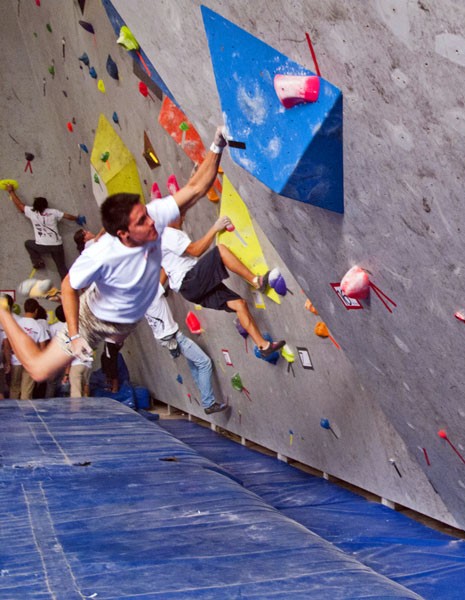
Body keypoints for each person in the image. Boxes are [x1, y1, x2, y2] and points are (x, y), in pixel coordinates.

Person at [0, 127, 230, 382]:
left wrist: (217, 145)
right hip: (93, 321)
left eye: (147, 214)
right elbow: (68, 286)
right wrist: (75, 337)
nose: (152, 223)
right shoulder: (100, 254)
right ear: (123, 234)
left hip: (123, 319)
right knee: (39, 371)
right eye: (142, 221)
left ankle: (44, 292)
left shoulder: (152, 216)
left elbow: (197, 187)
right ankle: (3, 312)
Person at [160, 213, 285, 355]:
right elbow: (195, 251)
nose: (183, 218)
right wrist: (215, 228)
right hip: (189, 281)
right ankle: (257, 281)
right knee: (220, 250)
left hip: (188, 291)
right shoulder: (167, 234)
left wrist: (158, 289)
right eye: (181, 216)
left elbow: (164, 266)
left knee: (239, 304)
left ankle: (263, 346)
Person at [145, 281, 227, 414]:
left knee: (195, 366)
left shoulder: (139, 297)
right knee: (204, 363)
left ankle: (206, 398)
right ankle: (208, 403)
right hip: (173, 337)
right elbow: (166, 269)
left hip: (164, 337)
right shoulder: (151, 291)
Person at [6, 186, 82, 280]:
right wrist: (77, 218)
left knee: (28, 243)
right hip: (57, 246)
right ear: (46, 205)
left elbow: (20, 205)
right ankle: (69, 287)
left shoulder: (32, 212)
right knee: (61, 267)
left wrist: (11, 191)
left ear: (35, 206)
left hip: (42, 246)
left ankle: (38, 261)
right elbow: (67, 216)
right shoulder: (53, 212)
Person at [8, 299, 50, 399]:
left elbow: (9, 342)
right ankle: (26, 412)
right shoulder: (39, 326)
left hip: (16, 359)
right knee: (27, 390)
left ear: (24, 309)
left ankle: (11, 412)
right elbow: (43, 348)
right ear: (36, 310)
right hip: (31, 361)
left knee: (14, 387)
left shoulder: (16, 323)